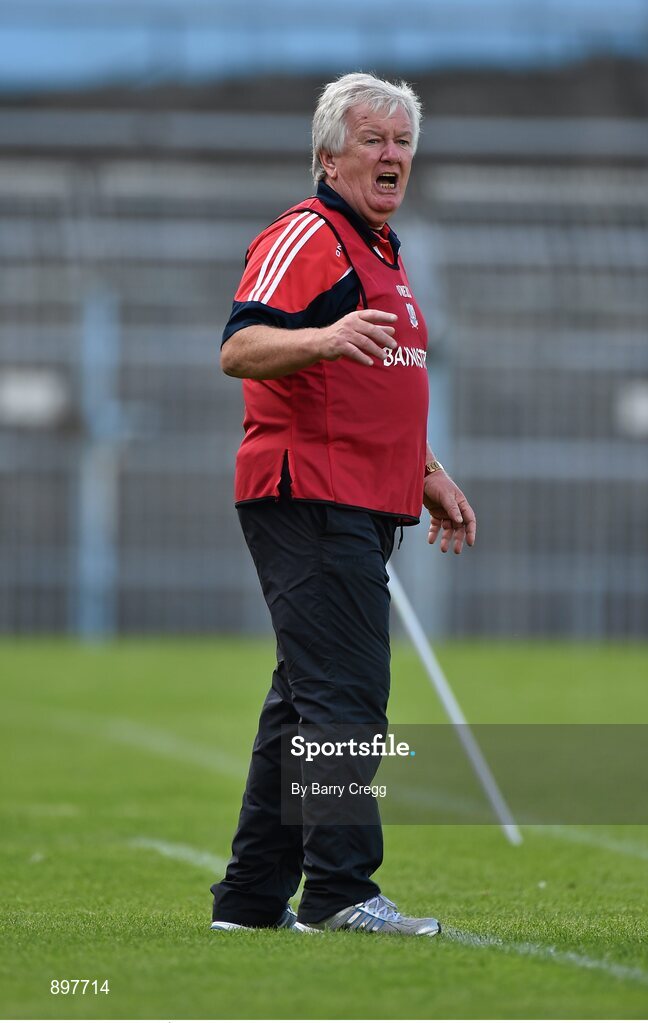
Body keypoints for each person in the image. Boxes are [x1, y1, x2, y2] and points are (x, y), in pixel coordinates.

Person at [211, 72, 476, 936]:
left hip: (366, 496)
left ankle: (251, 902)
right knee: (345, 700)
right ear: (328, 154)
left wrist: (425, 467)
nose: (392, 155)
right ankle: (341, 891)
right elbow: (240, 345)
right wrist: (323, 336)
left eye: (403, 141)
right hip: (309, 495)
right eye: (374, 139)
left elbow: (380, 382)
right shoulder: (309, 234)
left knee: (305, 700)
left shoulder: (382, 249)